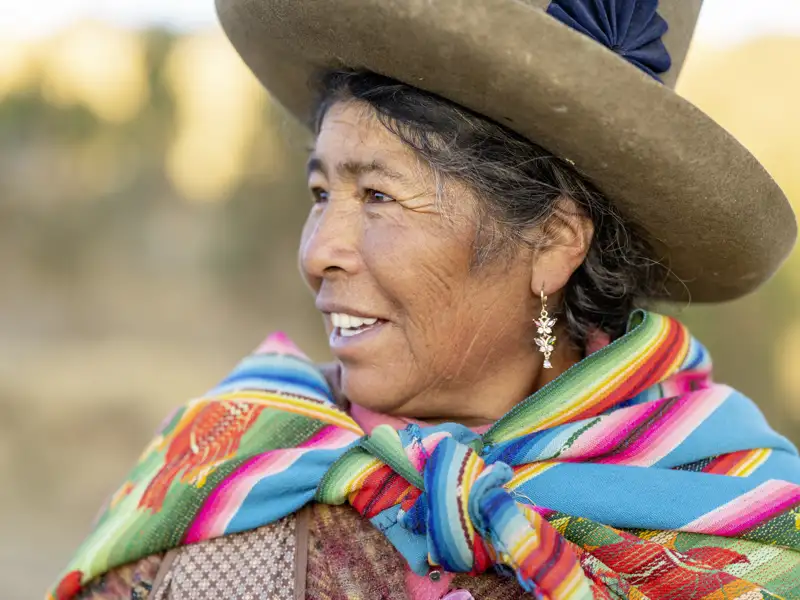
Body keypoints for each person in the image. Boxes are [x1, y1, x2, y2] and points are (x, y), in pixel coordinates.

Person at [49, 1, 800, 599]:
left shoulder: (738, 515)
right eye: (320, 192)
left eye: (378, 195)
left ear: (554, 242)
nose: (316, 253)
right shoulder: (235, 469)